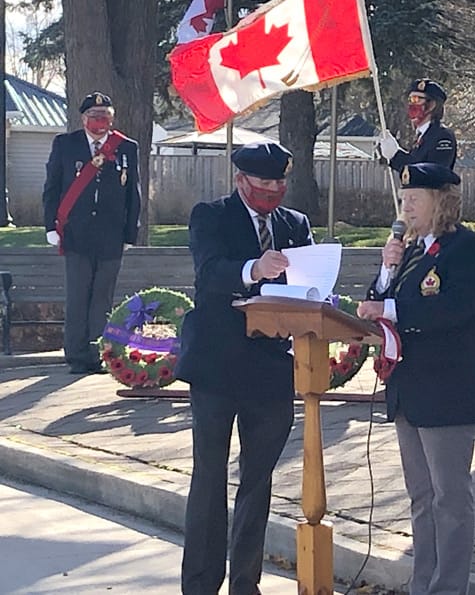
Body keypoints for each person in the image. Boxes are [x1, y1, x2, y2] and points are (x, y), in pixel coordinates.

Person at [175, 141, 313, 595]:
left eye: (279, 182)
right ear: (240, 180)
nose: (273, 189)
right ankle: (201, 583)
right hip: (217, 366)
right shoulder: (211, 216)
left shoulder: (295, 225)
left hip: (270, 369)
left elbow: (310, 282)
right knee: (210, 476)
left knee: (258, 482)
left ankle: (245, 583)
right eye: (264, 182)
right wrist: (255, 268)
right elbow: (210, 271)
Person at [357, 162, 475, 595]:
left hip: (448, 390)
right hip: (409, 389)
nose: (406, 208)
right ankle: (423, 584)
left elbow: (456, 309)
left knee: (449, 498)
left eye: (414, 200)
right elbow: (377, 302)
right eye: (404, 200)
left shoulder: (466, 248)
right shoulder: (410, 251)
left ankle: (449, 587)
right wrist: (387, 271)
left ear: (441, 201)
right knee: (420, 497)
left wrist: (390, 310)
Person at [41, 91, 141, 375]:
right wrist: (50, 226)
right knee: (78, 295)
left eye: (105, 116)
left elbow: (133, 193)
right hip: (76, 232)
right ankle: (76, 355)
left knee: (102, 297)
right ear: (83, 119)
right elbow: (52, 188)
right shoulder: (65, 144)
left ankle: (98, 354)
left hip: (110, 234)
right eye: (95, 116)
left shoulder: (126, 147)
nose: (100, 121)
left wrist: (130, 233)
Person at [377, 79, 458, 172]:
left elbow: (431, 173)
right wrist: (391, 154)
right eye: (410, 100)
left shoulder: (443, 137)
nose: (411, 105)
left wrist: (396, 155)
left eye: (415, 99)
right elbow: (414, 163)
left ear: (431, 105)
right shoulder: (421, 136)